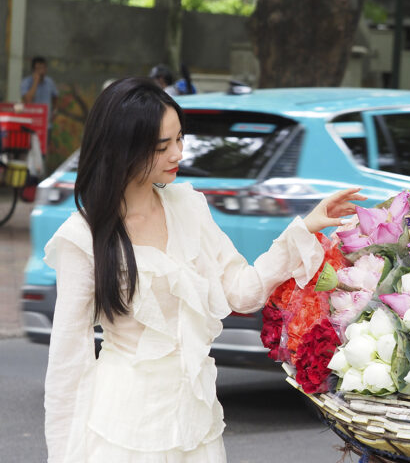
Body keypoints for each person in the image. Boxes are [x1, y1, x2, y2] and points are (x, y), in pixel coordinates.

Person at [43, 77, 365, 461]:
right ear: (123, 147)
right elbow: (68, 363)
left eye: (180, 139)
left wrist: (304, 228)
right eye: (162, 146)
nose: (178, 153)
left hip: (194, 421)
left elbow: (242, 292)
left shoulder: (188, 207)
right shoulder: (83, 237)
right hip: (121, 429)